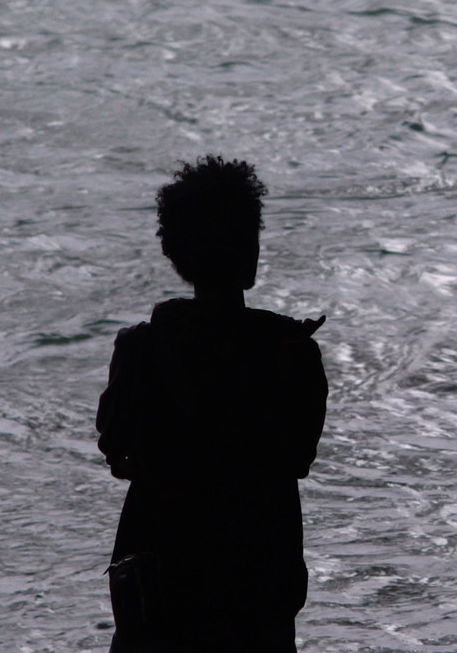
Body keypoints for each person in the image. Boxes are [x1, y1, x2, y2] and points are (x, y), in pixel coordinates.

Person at [97, 155, 328, 652]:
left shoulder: (142, 349)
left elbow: (119, 455)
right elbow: (299, 458)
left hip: (160, 584)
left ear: (177, 252)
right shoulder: (292, 352)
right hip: (258, 580)